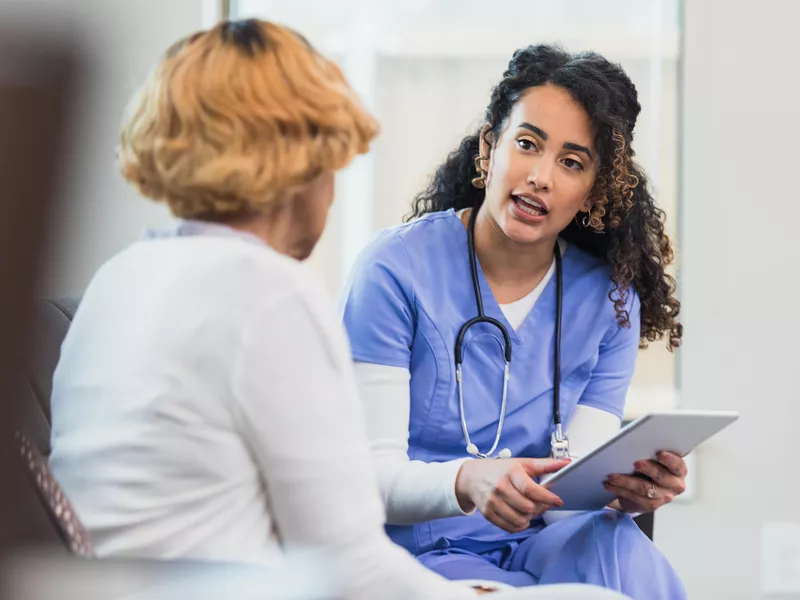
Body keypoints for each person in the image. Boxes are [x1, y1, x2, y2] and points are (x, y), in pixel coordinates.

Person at [48, 20, 629, 600]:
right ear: (296, 167)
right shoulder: (271, 296)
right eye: (331, 163)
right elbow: (348, 562)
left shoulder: (118, 278)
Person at [340, 44, 688, 598]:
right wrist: (466, 481)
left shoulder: (610, 300)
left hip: (541, 539)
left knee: (623, 550)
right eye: (527, 144)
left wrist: (625, 491)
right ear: (489, 148)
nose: (540, 177)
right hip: (417, 547)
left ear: (594, 191)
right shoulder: (395, 269)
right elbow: (363, 479)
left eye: (572, 162)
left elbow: (572, 488)